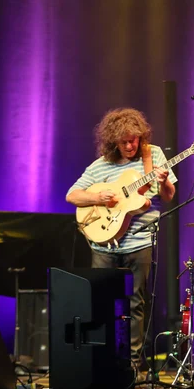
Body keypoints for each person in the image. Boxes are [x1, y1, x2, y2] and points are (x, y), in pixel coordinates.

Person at [66, 107, 176, 374]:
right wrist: (97, 198)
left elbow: (169, 195)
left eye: (134, 140)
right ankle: (104, 363)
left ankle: (133, 366)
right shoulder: (102, 165)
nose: (130, 145)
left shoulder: (154, 154)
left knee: (136, 304)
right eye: (124, 141)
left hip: (139, 243)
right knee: (101, 302)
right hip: (103, 244)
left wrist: (162, 182)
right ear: (113, 141)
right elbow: (72, 196)